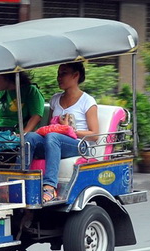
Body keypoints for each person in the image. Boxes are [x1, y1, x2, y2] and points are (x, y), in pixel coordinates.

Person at [24, 62, 99, 203]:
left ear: (76, 75)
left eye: (63, 73)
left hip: (79, 145)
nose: (59, 77)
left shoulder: (87, 101)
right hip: (55, 141)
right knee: (30, 137)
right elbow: (48, 127)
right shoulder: (55, 99)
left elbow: (94, 134)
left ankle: (50, 187)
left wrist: (70, 130)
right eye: (58, 74)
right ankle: (20, 179)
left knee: (53, 137)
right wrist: (57, 128)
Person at [0, 72, 45, 140]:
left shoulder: (30, 90)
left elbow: (36, 116)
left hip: (15, 135)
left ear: (8, 77)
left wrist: (23, 134)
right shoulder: (0, 95)